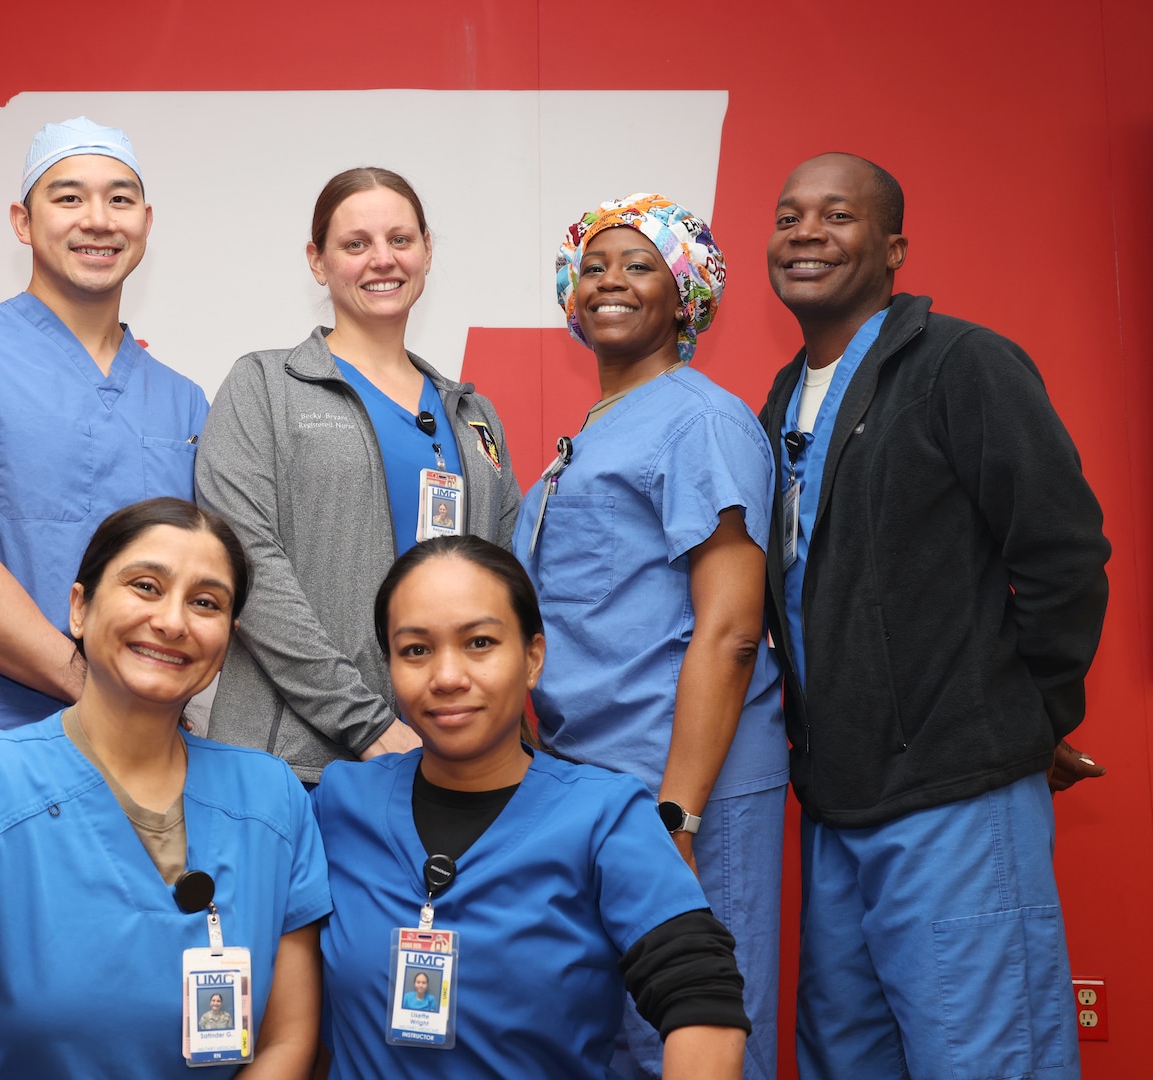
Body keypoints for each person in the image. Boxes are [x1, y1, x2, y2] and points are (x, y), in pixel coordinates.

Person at [759, 152, 1110, 1080]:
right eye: (790, 216)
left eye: (835, 216)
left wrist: (1028, 717)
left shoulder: (964, 363)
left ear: (894, 246)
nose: (805, 233)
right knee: (845, 1058)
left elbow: (1063, 550)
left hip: (956, 794)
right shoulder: (781, 398)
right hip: (836, 800)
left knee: (986, 1059)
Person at [0, 498, 330, 1079]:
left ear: (226, 641)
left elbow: (287, 1043)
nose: (173, 621)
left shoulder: (272, 799)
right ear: (79, 608)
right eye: (146, 586)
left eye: (205, 602)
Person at [514, 194, 785, 1080]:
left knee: (697, 1033)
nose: (610, 282)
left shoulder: (698, 420)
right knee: (619, 1036)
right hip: (598, 784)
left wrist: (680, 810)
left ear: (686, 298)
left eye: (640, 266)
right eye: (594, 267)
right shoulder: (589, 435)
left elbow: (734, 626)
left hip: (683, 787)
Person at [0, 117, 210, 822]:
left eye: (119, 200)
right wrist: (97, 690)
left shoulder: (182, 399)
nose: (97, 220)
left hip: (146, 746)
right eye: (68, 198)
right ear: (23, 222)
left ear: (145, 223)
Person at [314, 536, 749, 1080]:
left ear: (532, 659)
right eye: (416, 650)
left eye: (479, 642)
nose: (447, 677)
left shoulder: (605, 816)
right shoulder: (340, 803)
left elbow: (702, 1001)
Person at [196, 167, 519, 784]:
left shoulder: (474, 416)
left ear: (426, 250)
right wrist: (364, 721)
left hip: (445, 766)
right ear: (318, 262)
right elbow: (245, 564)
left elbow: (499, 590)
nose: (382, 260)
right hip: (290, 769)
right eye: (355, 244)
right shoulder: (264, 387)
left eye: (401, 240)